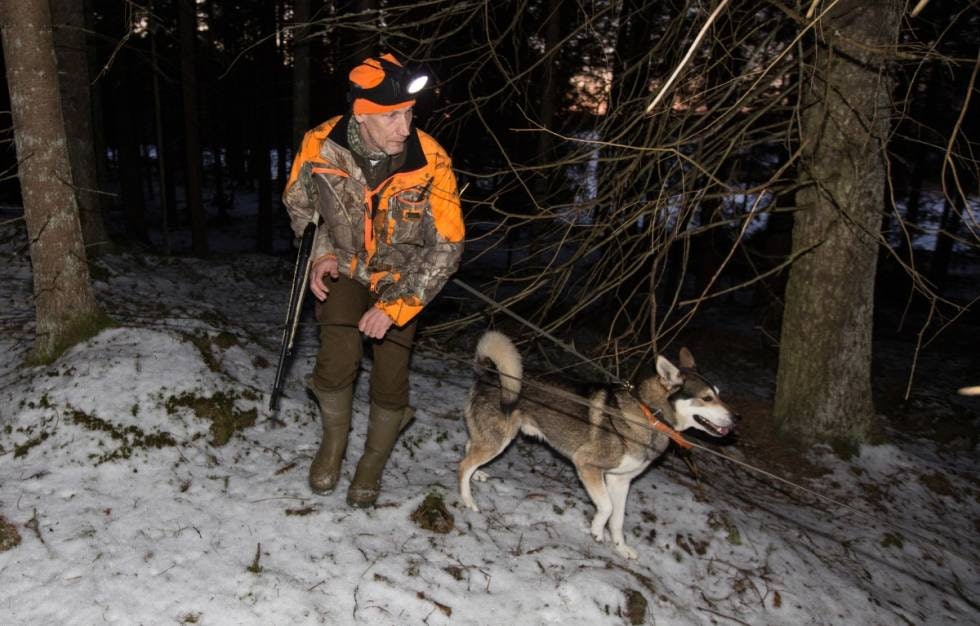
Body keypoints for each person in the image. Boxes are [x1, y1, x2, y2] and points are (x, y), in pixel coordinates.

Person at [283, 53, 464, 508]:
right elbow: (300, 205)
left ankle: (372, 464)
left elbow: (448, 246)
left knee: (390, 376)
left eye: (409, 113)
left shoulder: (432, 162)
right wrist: (319, 253)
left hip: (405, 279)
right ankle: (332, 447)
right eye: (393, 117)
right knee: (337, 357)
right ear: (361, 116)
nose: (406, 127)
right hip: (345, 266)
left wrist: (396, 308)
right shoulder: (319, 145)